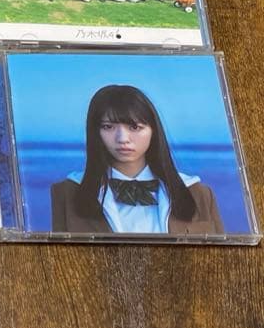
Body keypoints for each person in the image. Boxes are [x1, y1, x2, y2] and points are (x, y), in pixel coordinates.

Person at [50, 85, 224, 234]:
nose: (122, 139)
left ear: (153, 131)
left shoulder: (197, 192)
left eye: (134, 127)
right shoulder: (68, 192)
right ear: (95, 132)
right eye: (108, 127)